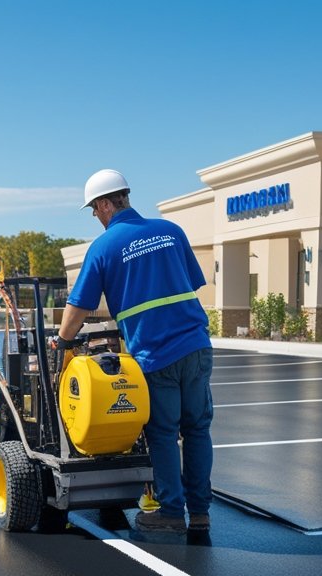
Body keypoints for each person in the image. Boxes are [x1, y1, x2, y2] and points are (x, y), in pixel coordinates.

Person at [55, 169, 213, 535]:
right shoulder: (172, 232)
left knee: (162, 433)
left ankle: (172, 513)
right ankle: (201, 513)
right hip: (196, 346)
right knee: (198, 430)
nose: (96, 217)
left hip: (156, 355)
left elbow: (78, 307)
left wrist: (63, 341)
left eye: (95, 209)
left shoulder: (105, 247)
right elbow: (186, 285)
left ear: (107, 203)